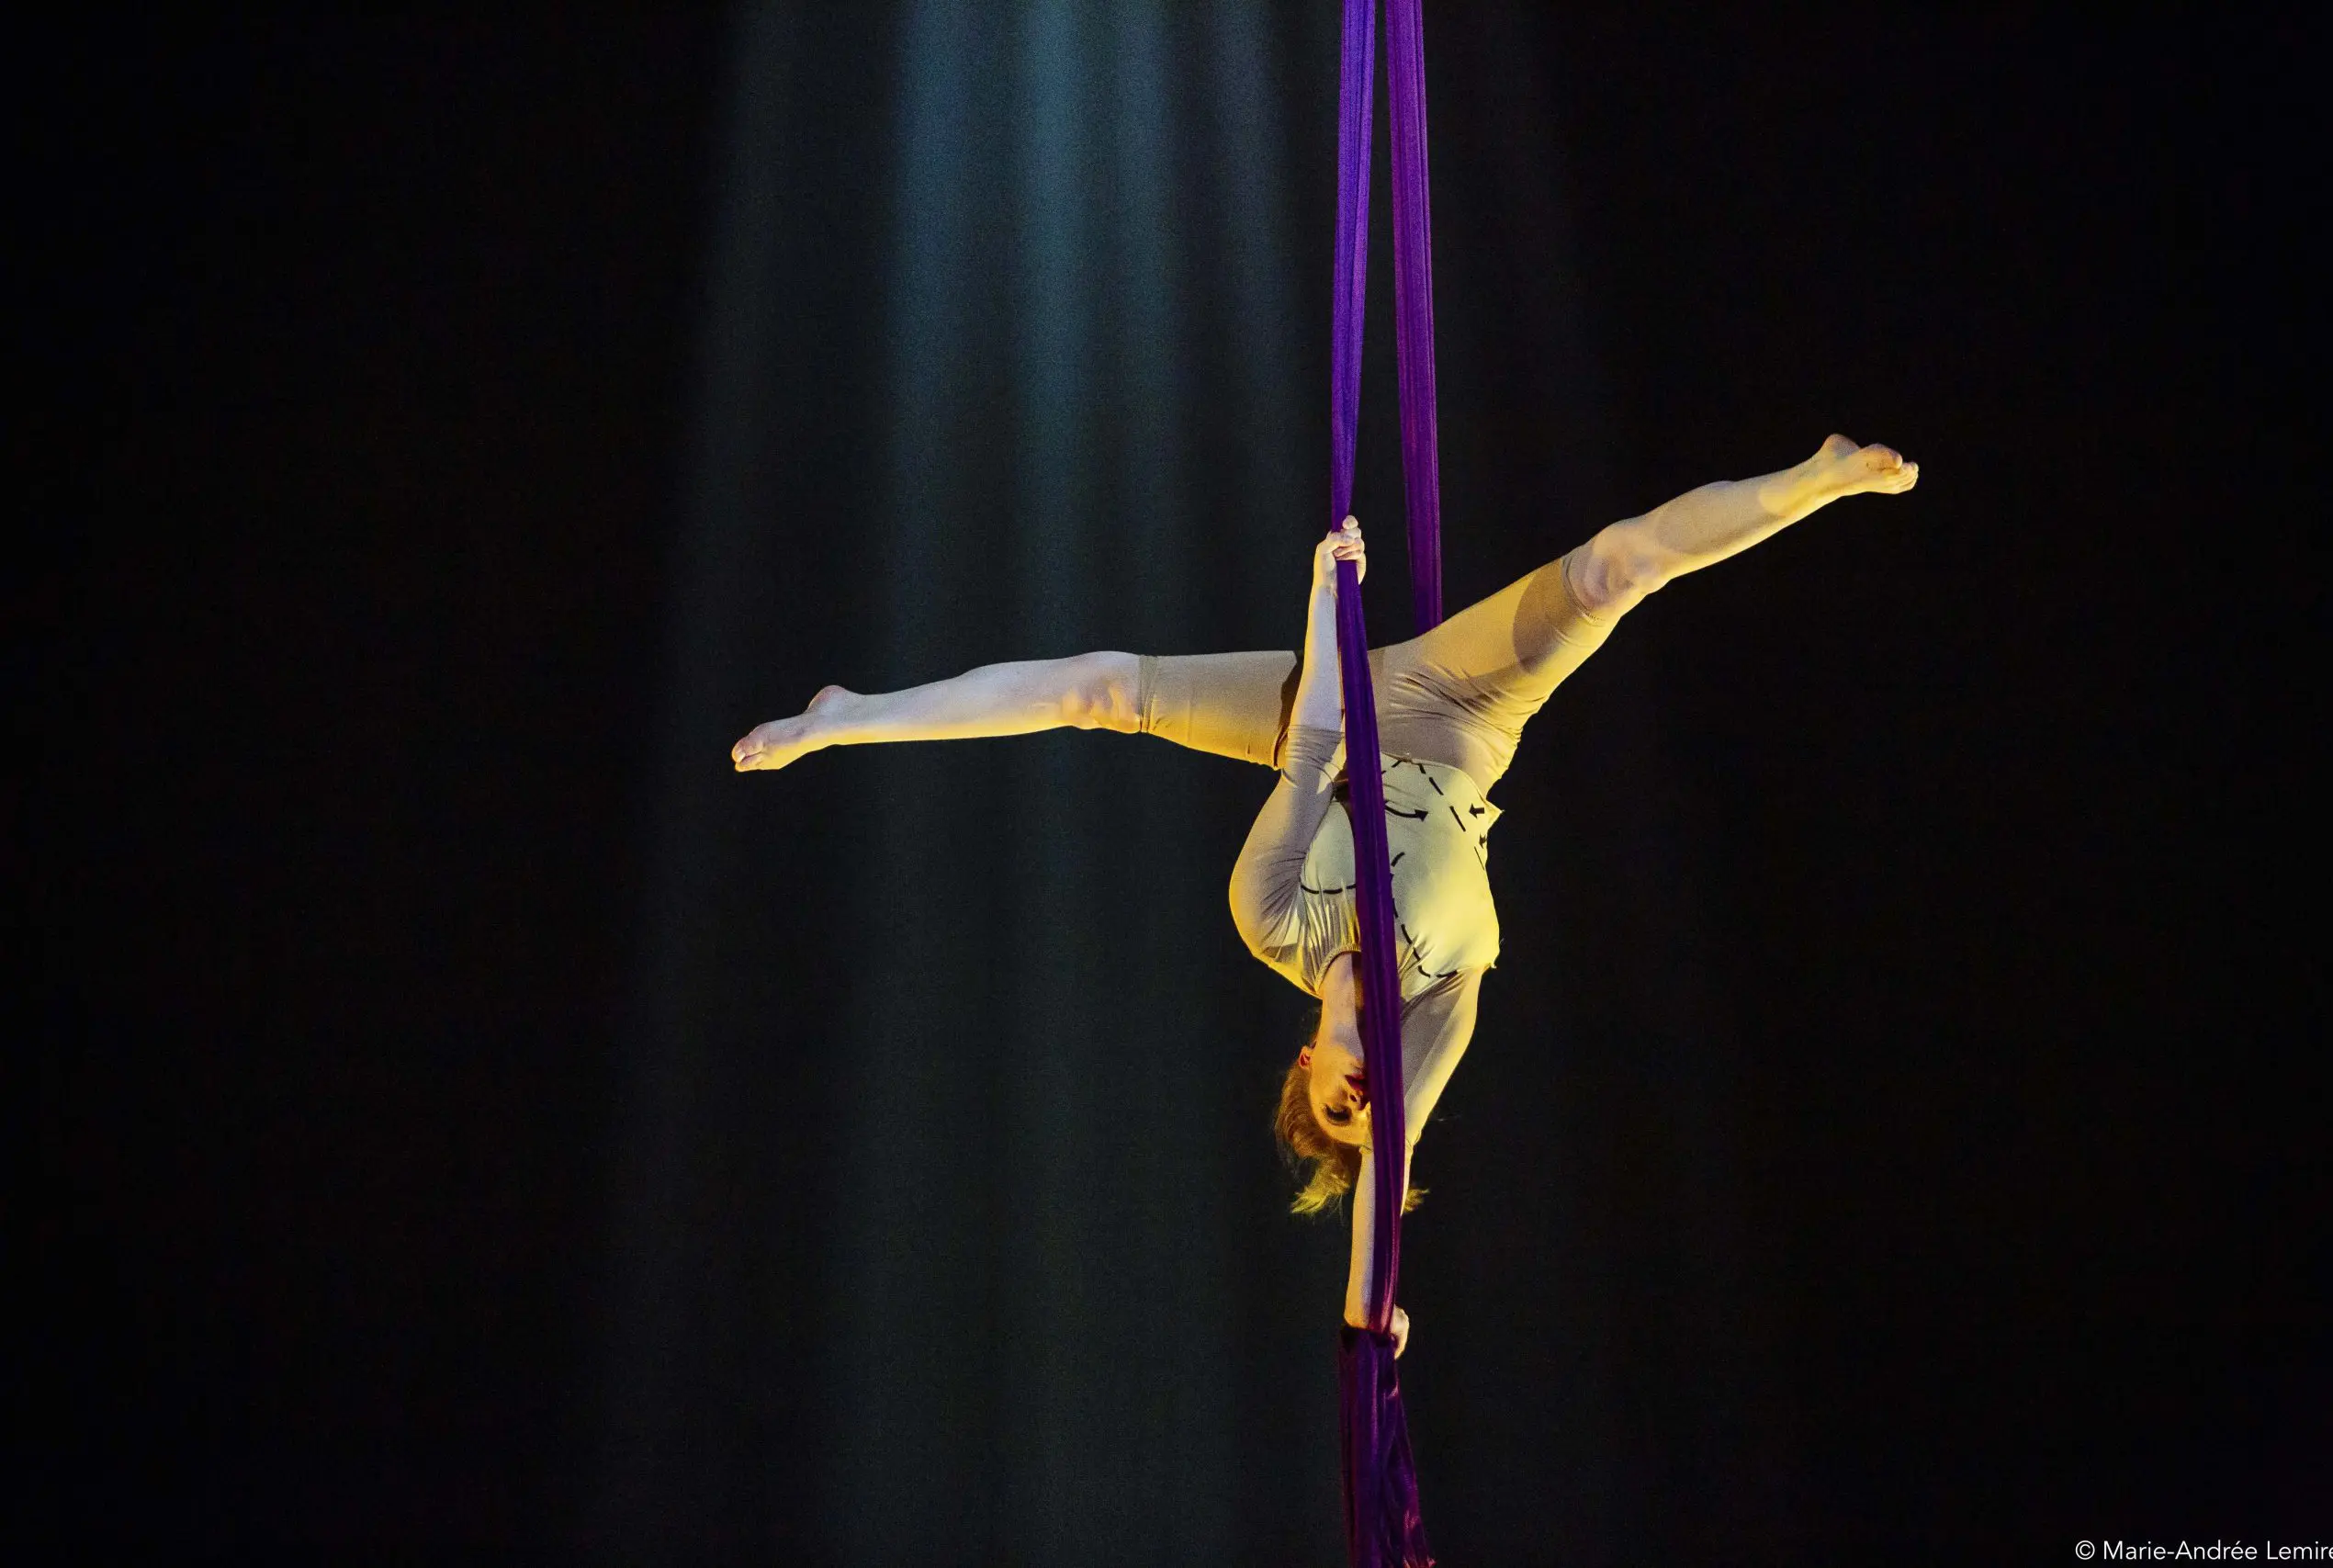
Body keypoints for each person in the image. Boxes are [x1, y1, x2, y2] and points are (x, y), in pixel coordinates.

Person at [733, 434, 1919, 1351]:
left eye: (1340, 1106)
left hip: (1333, 708)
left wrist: (1326, 593)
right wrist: (1370, 1322)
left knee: (1103, 687)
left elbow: (1308, 748)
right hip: (1465, 714)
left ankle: (848, 717)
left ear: (1308, 1066)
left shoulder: (1274, 918)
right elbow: (1382, 1195)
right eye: (1376, 1110)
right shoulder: (1444, 999)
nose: (1366, 1095)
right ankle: (1812, 481)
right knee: (1613, 570)